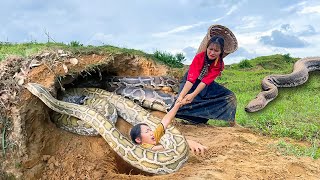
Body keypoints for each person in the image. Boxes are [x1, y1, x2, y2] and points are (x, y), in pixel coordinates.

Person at [174, 24, 238, 126]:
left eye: (216, 51)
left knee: (230, 96)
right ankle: (177, 115)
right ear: (207, 48)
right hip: (190, 82)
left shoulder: (219, 64)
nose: (212, 52)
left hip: (205, 84)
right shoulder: (199, 58)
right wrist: (182, 96)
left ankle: (231, 122)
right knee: (180, 101)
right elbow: (191, 80)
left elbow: (205, 81)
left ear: (221, 52)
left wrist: (193, 95)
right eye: (210, 49)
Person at [130, 102, 207, 155]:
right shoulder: (142, 147)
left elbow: (165, 121)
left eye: (150, 130)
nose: (151, 133)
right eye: (147, 131)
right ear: (138, 140)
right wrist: (186, 142)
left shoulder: (153, 137)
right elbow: (157, 149)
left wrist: (177, 105)